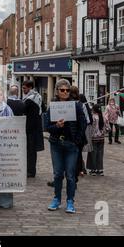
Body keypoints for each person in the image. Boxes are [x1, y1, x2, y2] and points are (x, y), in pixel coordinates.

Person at [44, 79, 86, 214]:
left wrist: (77, 140)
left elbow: (83, 124)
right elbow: (46, 127)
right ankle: (56, 199)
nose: (65, 92)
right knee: (57, 174)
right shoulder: (53, 107)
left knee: (70, 175)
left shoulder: (76, 106)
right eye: (62, 90)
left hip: (71, 145)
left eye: (67, 90)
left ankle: (70, 201)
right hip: (56, 144)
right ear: (57, 91)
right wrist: (57, 126)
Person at [22, 80, 44, 177]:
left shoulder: (30, 99)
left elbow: (22, 109)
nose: (23, 90)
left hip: (31, 128)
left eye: (24, 88)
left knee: (30, 150)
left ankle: (30, 171)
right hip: (36, 127)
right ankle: (31, 170)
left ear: (30, 88)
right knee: (32, 151)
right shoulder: (38, 96)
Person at [86, 104, 106, 176]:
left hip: (93, 138)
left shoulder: (92, 117)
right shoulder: (103, 116)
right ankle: (100, 169)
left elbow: (89, 127)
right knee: (100, 154)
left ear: (93, 110)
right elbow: (108, 128)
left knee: (93, 153)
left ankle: (93, 169)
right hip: (101, 138)